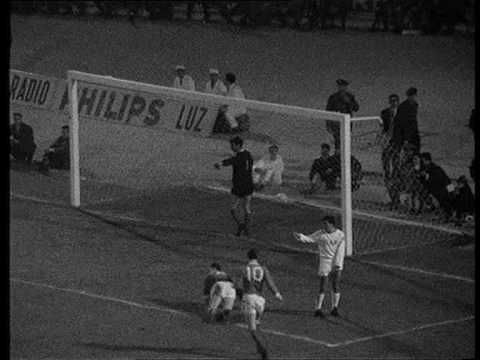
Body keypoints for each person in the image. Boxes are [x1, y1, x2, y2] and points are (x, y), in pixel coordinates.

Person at [293, 215, 345, 318]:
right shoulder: (321, 234)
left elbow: (341, 250)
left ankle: (334, 308)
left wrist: (337, 265)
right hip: (325, 261)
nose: (324, 226)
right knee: (323, 285)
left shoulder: (340, 235)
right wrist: (300, 236)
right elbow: (310, 238)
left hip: (336, 262)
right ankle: (318, 308)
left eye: (326, 224)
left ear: (332, 224)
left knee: (335, 284)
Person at [239, 249, 283, 360]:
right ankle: (260, 348)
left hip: (249, 298)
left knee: (252, 329)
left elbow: (239, 285)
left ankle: (263, 349)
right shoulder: (263, 268)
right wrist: (277, 294)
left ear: (248, 257)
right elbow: (269, 282)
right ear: (257, 257)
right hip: (260, 301)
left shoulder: (245, 269)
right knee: (257, 324)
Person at [214, 136, 254, 236]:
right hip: (249, 184)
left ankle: (241, 225)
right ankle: (247, 231)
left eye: (232, 145)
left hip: (239, 185)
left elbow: (232, 161)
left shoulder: (239, 156)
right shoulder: (248, 154)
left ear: (237, 145)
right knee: (247, 207)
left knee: (233, 208)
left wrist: (220, 163)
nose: (231, 147)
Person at [325, 79, 360, 153]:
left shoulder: (350, 97)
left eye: (343, 86)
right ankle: (338, 155)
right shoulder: (333, 97)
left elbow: (356, 108)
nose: (341, 88)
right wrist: (328, 124)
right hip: (336, 123)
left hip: (347, 123)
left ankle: (344, 155)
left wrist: (349, 102)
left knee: (346, 140)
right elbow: (328, 111)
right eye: (340, 86)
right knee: (338, 141)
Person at [419, 152, 454, 222]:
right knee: (436, 200)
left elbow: (438, 180)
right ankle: (442, 215)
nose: (422, 163)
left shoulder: (435, 168)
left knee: (442, 200)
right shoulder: (427, 168)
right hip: (440, 189)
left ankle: (446, 216)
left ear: (425, 160)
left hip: (445, 188)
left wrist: (426, 176)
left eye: (422, 161)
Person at [379, 94, 400, 189]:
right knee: (386, 161)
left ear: (398, 102)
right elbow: (382, 127)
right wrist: (381, 138)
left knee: (396, 161)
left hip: (397, 140)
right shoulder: (385, 112)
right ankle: (388, 179)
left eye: (395, 101)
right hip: (387, 139)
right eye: (391, 101)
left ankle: (395, 179)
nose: (393, 103)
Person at [392, 87, 420, 153]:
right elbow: (401, 123)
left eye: (414, 95)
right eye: (412, 96)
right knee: (403, 151)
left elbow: (413, 119)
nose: (414, 97)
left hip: (412, 130)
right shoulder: (403, 107)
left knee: (415, 150)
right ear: (409, 96)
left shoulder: (415, 105)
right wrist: (405, 138)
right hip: (403, 132)